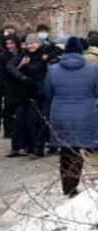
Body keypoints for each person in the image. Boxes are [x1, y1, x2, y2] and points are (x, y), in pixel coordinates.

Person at [45, 37, 98, 197]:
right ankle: (73, 185)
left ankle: (67, 186)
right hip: (85, 115)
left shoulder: (52, 70)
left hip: (60, 115)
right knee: (77, 150)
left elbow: (47, 93)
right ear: (81, 51)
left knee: (65, 151)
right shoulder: (93, 69)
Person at [5, 34, 49, 158]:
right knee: (19, 120)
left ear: (39, 44)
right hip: (23, 93)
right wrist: (21, 74)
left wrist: (27, 68)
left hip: (38, 92)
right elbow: (10, 66)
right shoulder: (23, 55)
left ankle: (35, 148)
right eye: (28, 43)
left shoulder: (44, 55)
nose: (30, 46)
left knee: (34, 121)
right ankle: (17, 147)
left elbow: (39, 69)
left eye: (33, 43)